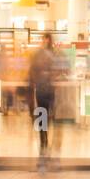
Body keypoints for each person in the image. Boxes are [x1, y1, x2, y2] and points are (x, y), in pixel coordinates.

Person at [29, 33, 61, 169]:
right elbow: (32, 72)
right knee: (43, 119)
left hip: (46, 91)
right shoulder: (46, 54)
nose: (44, 41)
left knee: (46, 119)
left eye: (45, 39)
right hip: (43, 91)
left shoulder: (49, 54)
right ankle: (44, 145)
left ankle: (46, 146)